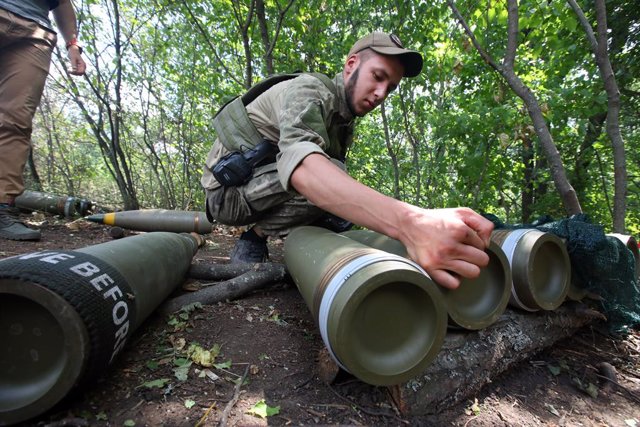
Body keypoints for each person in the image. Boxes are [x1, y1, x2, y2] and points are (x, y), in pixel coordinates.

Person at [202, 31, 493, 289]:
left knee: (340, 206)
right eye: (378, 77)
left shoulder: (343, 119)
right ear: (351, 65)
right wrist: (412, 223)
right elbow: (305, 170)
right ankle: (255, 236)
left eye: (390, 88)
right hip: (226, 196)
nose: (381, 94)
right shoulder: (309, 91)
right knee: (333, 174)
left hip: (260, 187)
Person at [0, 0, 86, 241]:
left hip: (35, 32)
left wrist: (73, 45)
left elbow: (63, 3)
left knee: (15, 120)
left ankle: (2, 208)